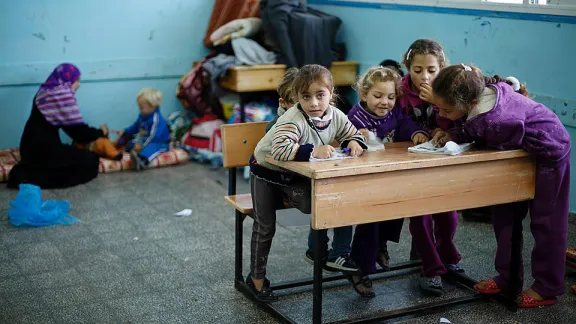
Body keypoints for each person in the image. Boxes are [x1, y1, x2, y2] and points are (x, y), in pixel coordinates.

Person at [432, 63, 570, 308]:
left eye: (446, 109)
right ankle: (508, 278)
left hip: (550, 151)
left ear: (470, 102)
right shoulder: (477, 96)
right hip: (518, 152)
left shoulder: (495, 119)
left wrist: (460, 135)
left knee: (546, 222)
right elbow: (473, 130)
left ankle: (547, 287)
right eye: (438, 107)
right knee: (504, 216)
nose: (441, 114)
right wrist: (455, 133)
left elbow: (485, 136)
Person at [247, 64, 367, 302]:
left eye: (320, 95)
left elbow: (351, 132)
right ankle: (256, 278)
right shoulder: (293, 118)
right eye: (306, 97)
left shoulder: (335, 114)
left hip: (294, 175)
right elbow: (279, 150)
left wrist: (355, 142)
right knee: (265, 227)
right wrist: (314, 152)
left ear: (331, 93)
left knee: (321, 203)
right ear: (297, 97)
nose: (313, 103)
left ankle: (322, 251)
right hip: (266, 173)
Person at [347, 66, 428, 297]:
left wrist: (416, 133)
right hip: (363, 181)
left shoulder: (394, 114)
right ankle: (360, 267)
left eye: (391, 97)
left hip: (387, 177)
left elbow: (406, 124)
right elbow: (345, 141)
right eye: (378, 96)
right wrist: (355, 137)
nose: (385, 102)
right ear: (364, 94)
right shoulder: (355, 116)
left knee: (398, 203)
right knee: (371, 219)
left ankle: (381, 243)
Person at [398, 39, 463, 295]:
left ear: (441, 68)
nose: (424, 76)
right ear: (408, 67)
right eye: (417, 70)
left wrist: (436, 101)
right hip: (410, 163)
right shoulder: (400, 91)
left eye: (431, 70)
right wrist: (414, 131)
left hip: (440, 162)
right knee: (421, 216)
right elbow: (396, 121)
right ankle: (431, 268)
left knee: (448, 214)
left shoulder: (448, 90)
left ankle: (448, 255)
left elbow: (455, 122)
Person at [8, 63, 107, 189]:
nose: (79, 85)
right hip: (44, 151)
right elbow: (80, 134)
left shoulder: (45, 91)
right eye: (77, 81)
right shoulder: (62, 95)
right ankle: (26, 178)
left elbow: (71, 128)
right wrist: (100, 132)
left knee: (69, 153)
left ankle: (28, 172)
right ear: (68, 80)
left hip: (28, 148)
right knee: (91, 161)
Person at [113, 88, 171, 171]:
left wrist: (142, 146)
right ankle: (131, 150)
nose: (140, 110)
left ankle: (142, 161)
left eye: (142, 108)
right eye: (139, 107)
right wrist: (125, 133)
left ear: (153, 106)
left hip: (160, 143)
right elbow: (135, 126)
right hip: (145, 139)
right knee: (131, 142)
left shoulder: (157, 120)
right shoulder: (142, 116)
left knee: (152, 148)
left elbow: (153, 137)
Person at [266, 67, 298, 132]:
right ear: (283, 103)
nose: (304, 107)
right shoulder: (275, 127)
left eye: (306, 98)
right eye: (297, 103)